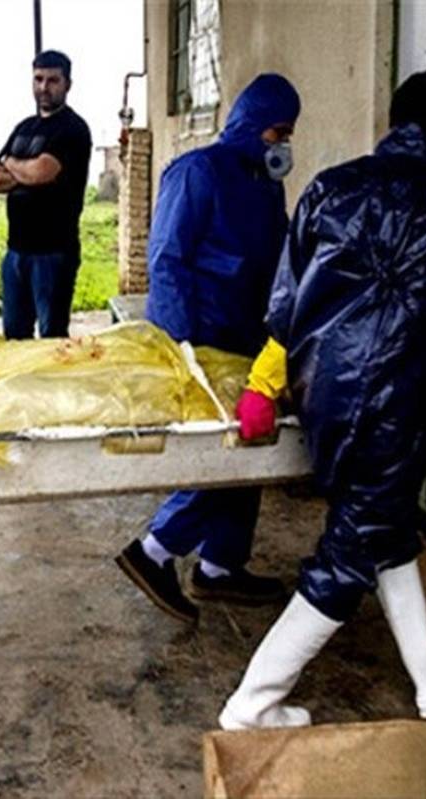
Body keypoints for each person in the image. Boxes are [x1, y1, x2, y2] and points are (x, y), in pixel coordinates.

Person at [219, 71, 426, 729]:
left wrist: (266, 383)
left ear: (394, 122)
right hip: (395, 401)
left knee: (384, 531)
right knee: (349, 556)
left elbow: (285, 303)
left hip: (324, 394)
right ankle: (253, 703)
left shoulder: (329, 188)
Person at [114, 74, 302, 623]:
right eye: (277, 131)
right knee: (225, 454)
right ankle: (155, 550)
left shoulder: (267, 186)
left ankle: (221, 565)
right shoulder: (198, 172)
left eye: (289, 134)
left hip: (248, 335)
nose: (282, 144)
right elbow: (167, 258)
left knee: (253, 445)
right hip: (202, 337)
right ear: (250, 123)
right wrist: (178, 343)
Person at [0, 49, 91, 339]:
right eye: (38, 79)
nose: (44, 87)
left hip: (54, 253)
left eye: (53, 80)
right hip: (16, 251)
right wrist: (27, 172)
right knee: (14, 336)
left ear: (68, 84)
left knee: (52, 339)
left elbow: (41, 172)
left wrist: (12, 164)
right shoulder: (24, 128)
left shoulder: (73, 129)